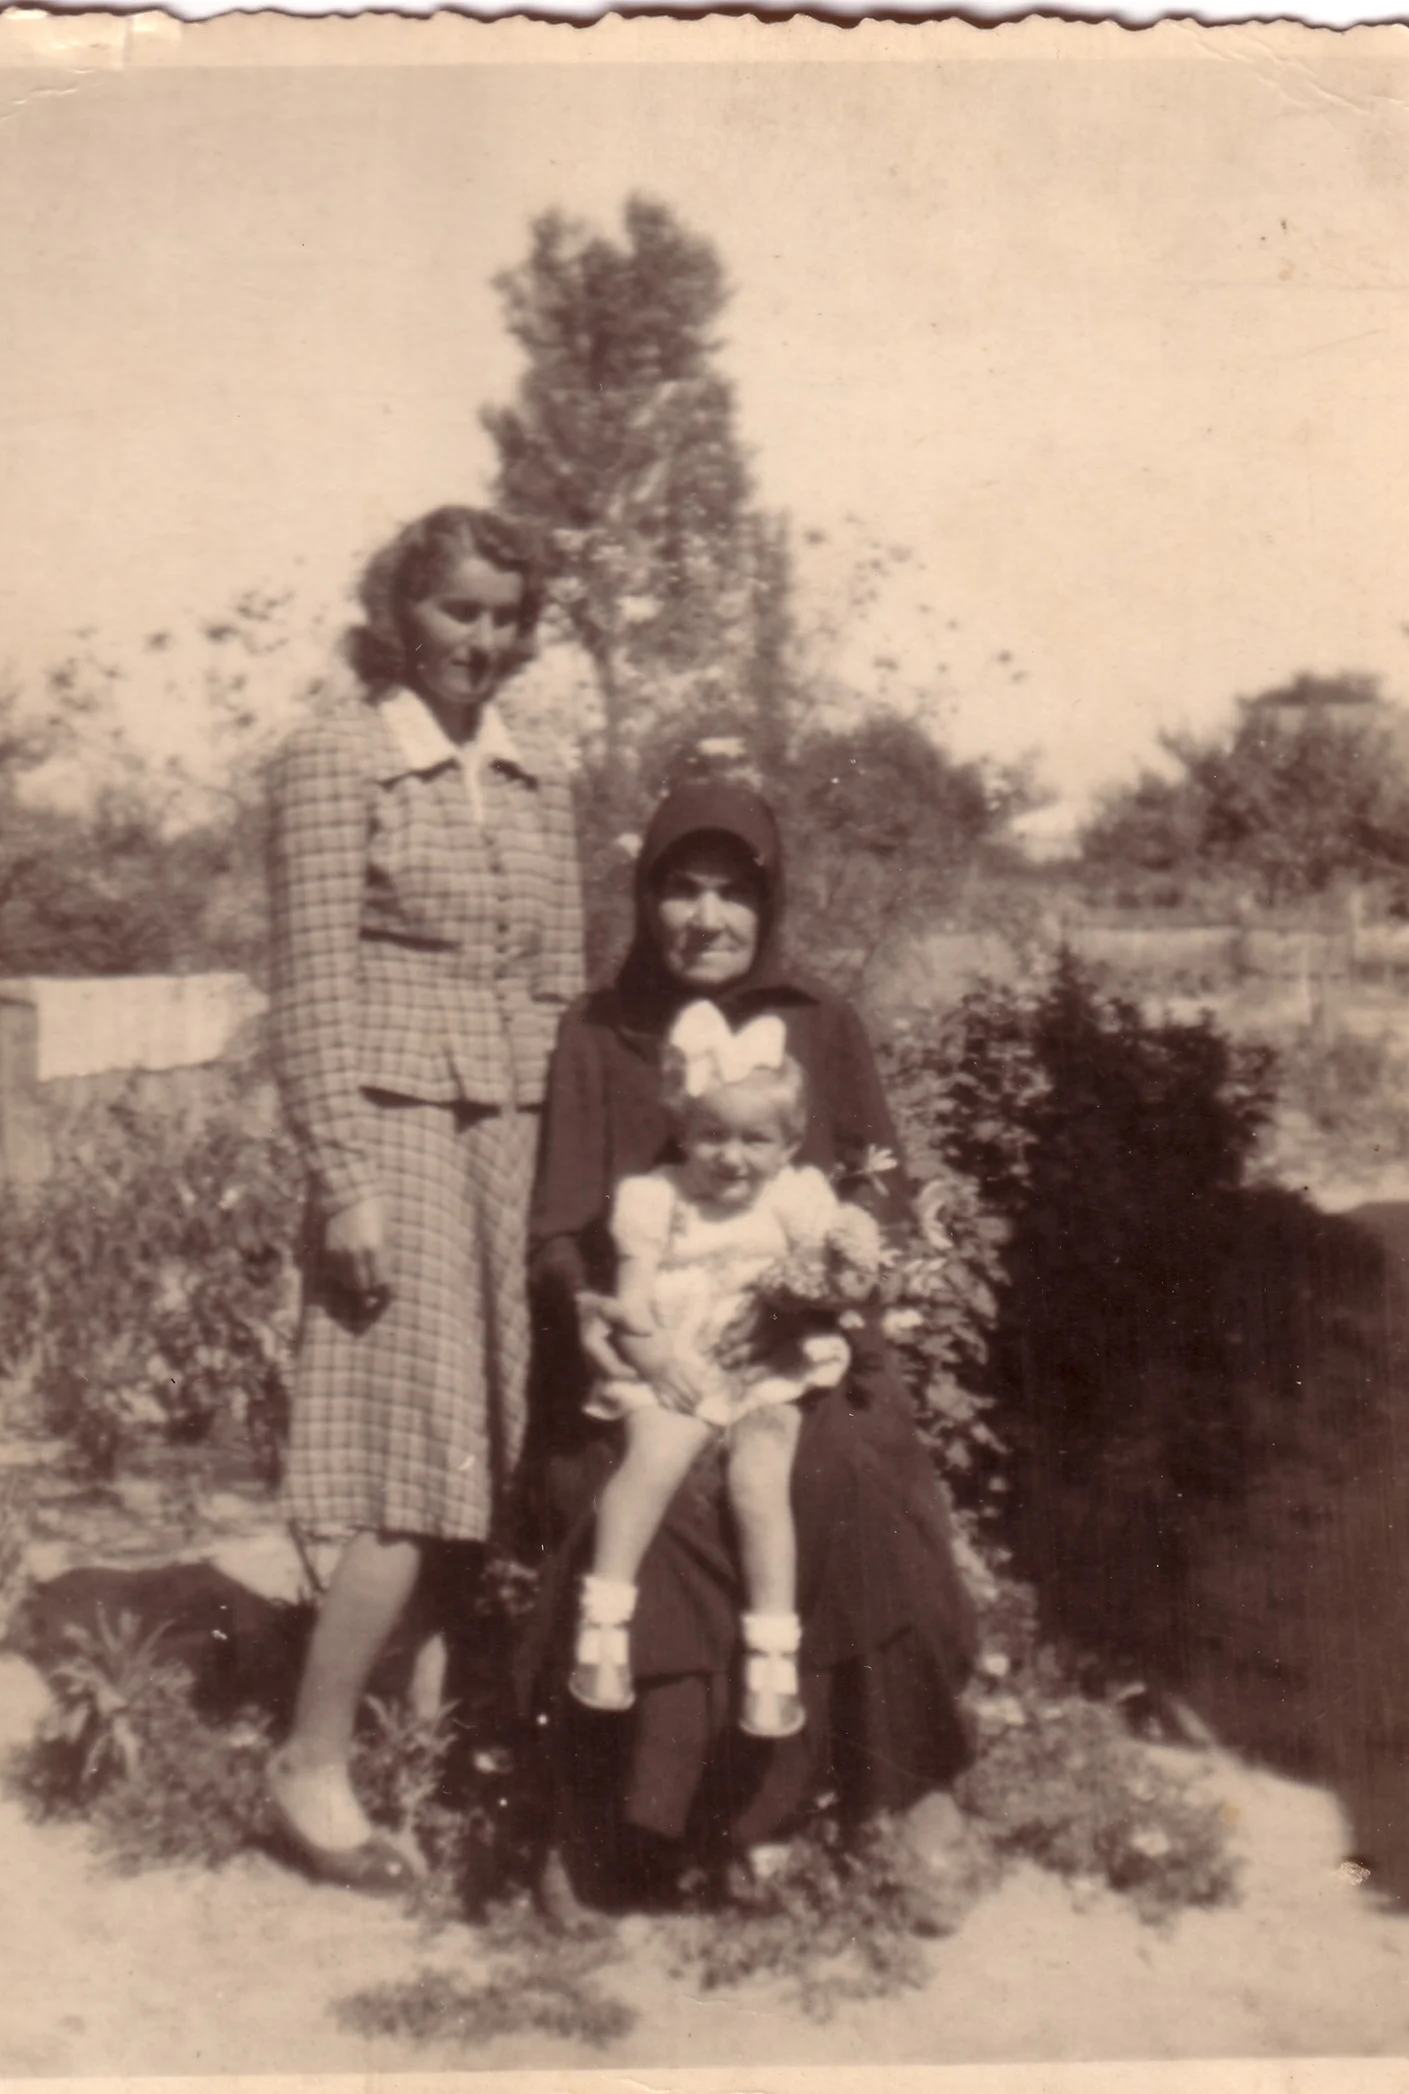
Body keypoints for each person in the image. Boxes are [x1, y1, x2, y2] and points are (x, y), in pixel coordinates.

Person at [521, 779, 977, 1917]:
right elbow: (558, 1227)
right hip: (652, 1350)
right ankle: (621, 1818)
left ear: (767, 905)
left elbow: (878, 1175)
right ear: (645, 899)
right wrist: (597, 1313)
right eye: (681, 889)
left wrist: (842, 1262)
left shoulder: (819, 1019)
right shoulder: (598, 1031)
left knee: (846, 1478)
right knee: (646, 1499)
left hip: (795, 1347)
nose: (707, 917)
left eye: (734, 893)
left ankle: (899, 1791)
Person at [265, 505, 583, 1893]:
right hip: (393, 1136)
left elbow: (561, 984)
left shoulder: (535, 771)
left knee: (486, 1453)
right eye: (461, 609)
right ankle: (309, 1760)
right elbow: (312, 988)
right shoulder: (337, 757)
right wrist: (343, 1179)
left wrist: (575, 1166)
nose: (484, 639)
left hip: (513, 1136)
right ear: (403, 613)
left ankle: (425, 1735)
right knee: (412, 1460)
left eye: (507, 615)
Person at [570, 1006, 883, 1738]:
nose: (731, 1157)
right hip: (676, 1357)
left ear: (789, 1145)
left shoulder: (794, 1198)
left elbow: (826, 1276)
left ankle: (772, 1656)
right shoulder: (657, 1196)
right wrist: (651, 1353)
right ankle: (604, 1626)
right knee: (657, 1454)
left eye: (755, 1139)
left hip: (765, 1365)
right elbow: (634, 1292)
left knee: (760, 1479)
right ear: (683, 1131)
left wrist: (834, 1274)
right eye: (712, 1135)